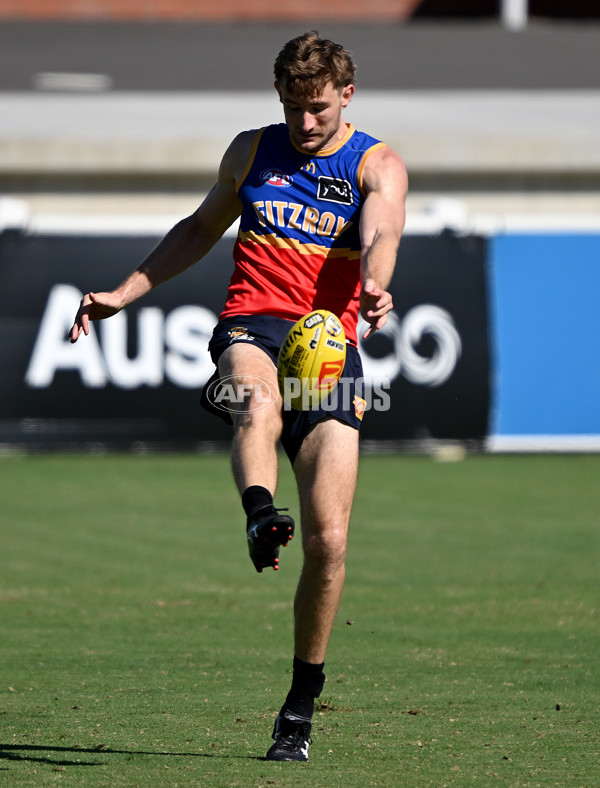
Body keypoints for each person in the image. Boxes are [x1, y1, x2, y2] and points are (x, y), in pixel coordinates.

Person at [70, 30, 407, 762]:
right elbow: (198, 228)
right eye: (292, 107)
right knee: (255, 402)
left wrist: (377, 282)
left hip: (329, 347)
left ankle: (299, 705)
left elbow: (382, 229)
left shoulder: (377, 162)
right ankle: (259, 514)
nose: (304, 122)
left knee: (333, 542)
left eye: (316, 108)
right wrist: (124, 294)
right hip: (253, 324)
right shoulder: (252, 151)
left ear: (346, 96)